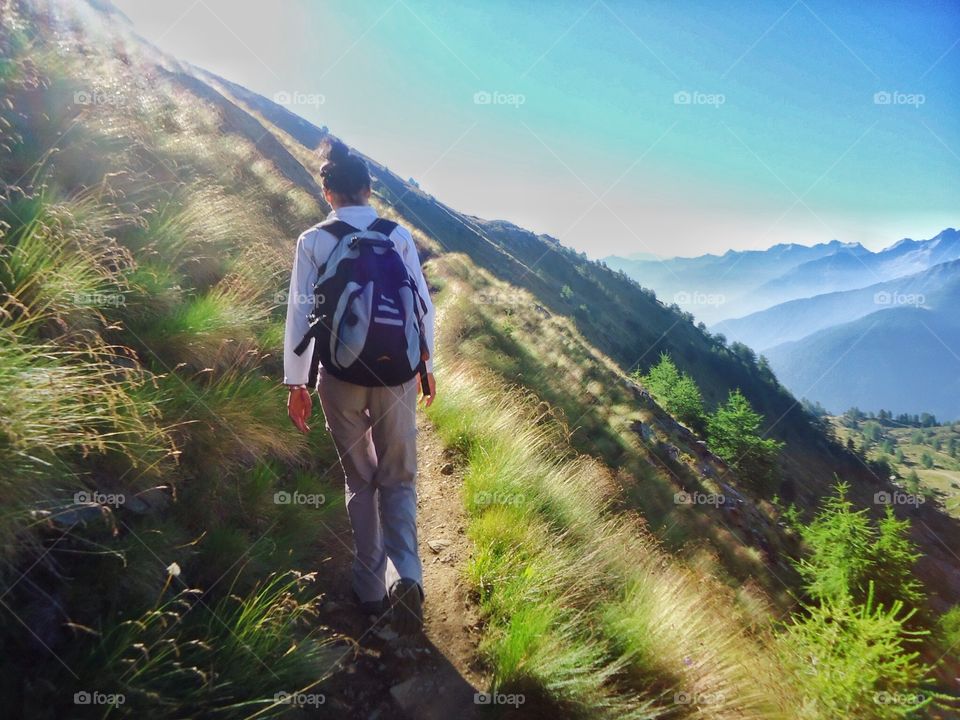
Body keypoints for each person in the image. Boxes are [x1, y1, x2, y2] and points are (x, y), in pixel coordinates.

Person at [283, 139, 436, 634]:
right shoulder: (400, 236)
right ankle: (406, 574)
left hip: (340, 378)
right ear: (369, 190)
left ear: (328, 192)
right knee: (400, 476)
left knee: (360, 479)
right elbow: (422, 308)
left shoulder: (313, 240)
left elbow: (300, 314)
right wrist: (424, 365)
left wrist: (297, 382)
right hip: (396, 377)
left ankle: (369, 587)